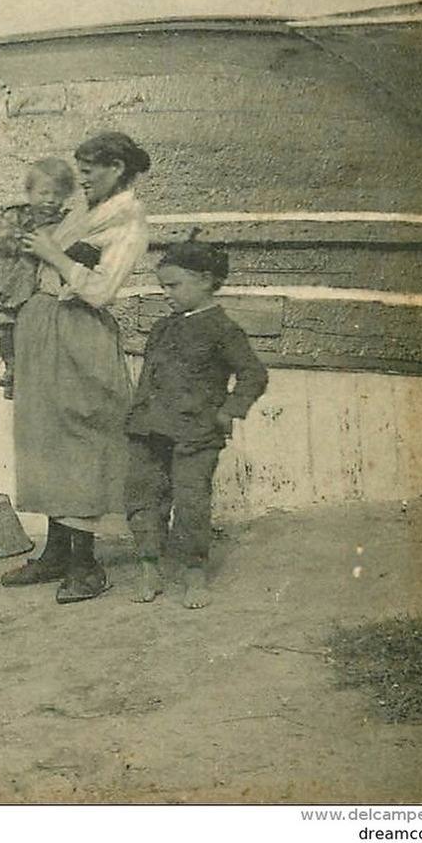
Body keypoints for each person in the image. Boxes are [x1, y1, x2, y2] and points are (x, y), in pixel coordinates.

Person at [2, 131, 152, 604]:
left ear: (119, 169)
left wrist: (52, 255)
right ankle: (56, 553)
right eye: (80, 167)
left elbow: (101, 290)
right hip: (44, 328)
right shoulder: (86, 213)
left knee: (80, 439)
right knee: (45, 438)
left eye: (91, 169)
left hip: (79, 332)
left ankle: (87, 565)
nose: (81, 177)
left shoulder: (129, 220)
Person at [126, 239, 268, 608]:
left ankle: (193, 574)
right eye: (163, 286)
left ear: (206, 281)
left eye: (174, 286)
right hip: (150, 430)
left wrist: (228, 411)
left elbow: (253, 374)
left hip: (196, 434)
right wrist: (138, 415)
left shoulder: (223, 329)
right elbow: (149, 377)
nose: (166, 294)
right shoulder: (161, 328)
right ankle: (148, 568)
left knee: (191, 503)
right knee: (145, 495)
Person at [0, 158, 73, 398]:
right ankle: (11, 365)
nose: (50, 200)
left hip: (41, 276)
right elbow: (5, 240)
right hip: (11, 276)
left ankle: (36, 372)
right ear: (30, 193)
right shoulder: (17, 215)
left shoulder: (67, 220)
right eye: (43, 193)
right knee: (5, 322)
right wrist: (32, 240)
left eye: (57, 194)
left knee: (37, 322)